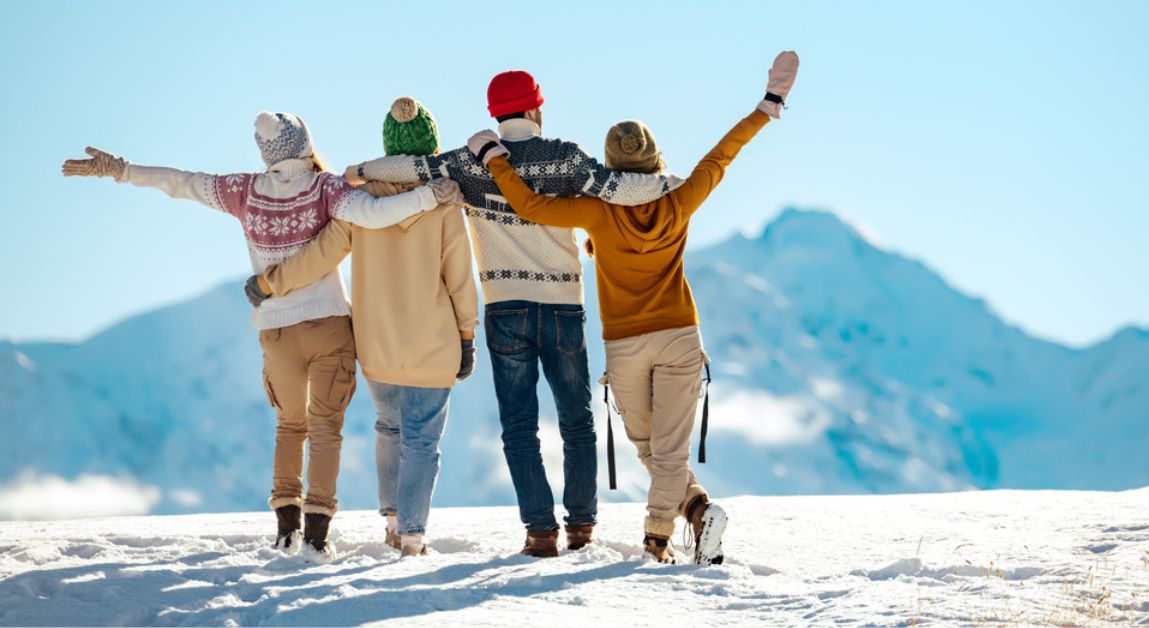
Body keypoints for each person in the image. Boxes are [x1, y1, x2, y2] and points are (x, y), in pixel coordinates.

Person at [61, 112, 460, 561]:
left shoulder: (244, 191)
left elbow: (183, 182)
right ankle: (316, 535)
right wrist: (429, 196)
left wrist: (122, 170)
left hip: (276, 330)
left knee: (289, 427)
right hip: (328, 324)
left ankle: (286, 529)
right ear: (306, 142)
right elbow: (376, 212)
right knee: (326, 431)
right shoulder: (326, 188)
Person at [467, 51, 799, 564]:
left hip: (624, 346)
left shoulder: (597, 212)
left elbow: (530, 206)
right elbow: (722, 156)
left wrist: (493, 159)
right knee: (661, 451)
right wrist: (768, 105)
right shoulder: (679, 199)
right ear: (655, 161)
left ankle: (657, 540)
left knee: (653, 449)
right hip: (680, 338)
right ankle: (698, 512)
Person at [342, 73, 680, 557]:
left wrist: (358, 169)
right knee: (576, 421)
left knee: (519, 426)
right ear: (537, 110)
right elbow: (619, 188)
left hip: (505, 308)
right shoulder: (564, 155)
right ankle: (581, 528)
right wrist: (674, 183)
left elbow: (409, 167)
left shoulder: (467, 163)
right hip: (563, 306)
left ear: (495, 115)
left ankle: (539, 532)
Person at [247, 98, 477, 558]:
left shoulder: (360, 201)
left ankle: (394, 525)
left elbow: (320, 255)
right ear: (428, 147)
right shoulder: (445, 202)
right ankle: (412, 538)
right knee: (422, 440)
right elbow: (459, 279)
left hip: (375, 343)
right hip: (433, 342)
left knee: (389, 428)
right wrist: (468, 335)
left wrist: (271, 282)